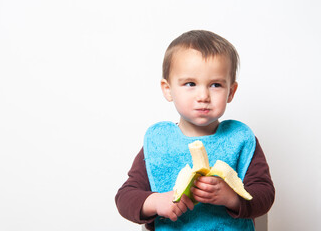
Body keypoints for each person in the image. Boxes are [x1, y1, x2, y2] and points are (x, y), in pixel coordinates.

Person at [115, 30, 275, 230]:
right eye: (190, 84)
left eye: (215, 85)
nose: (203, 96)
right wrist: (154, 202)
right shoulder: (159, 141)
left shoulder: (240, 139)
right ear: (168, 89)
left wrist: (232, 198)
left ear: (231, 92)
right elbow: (125, 197)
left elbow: (265, 193)